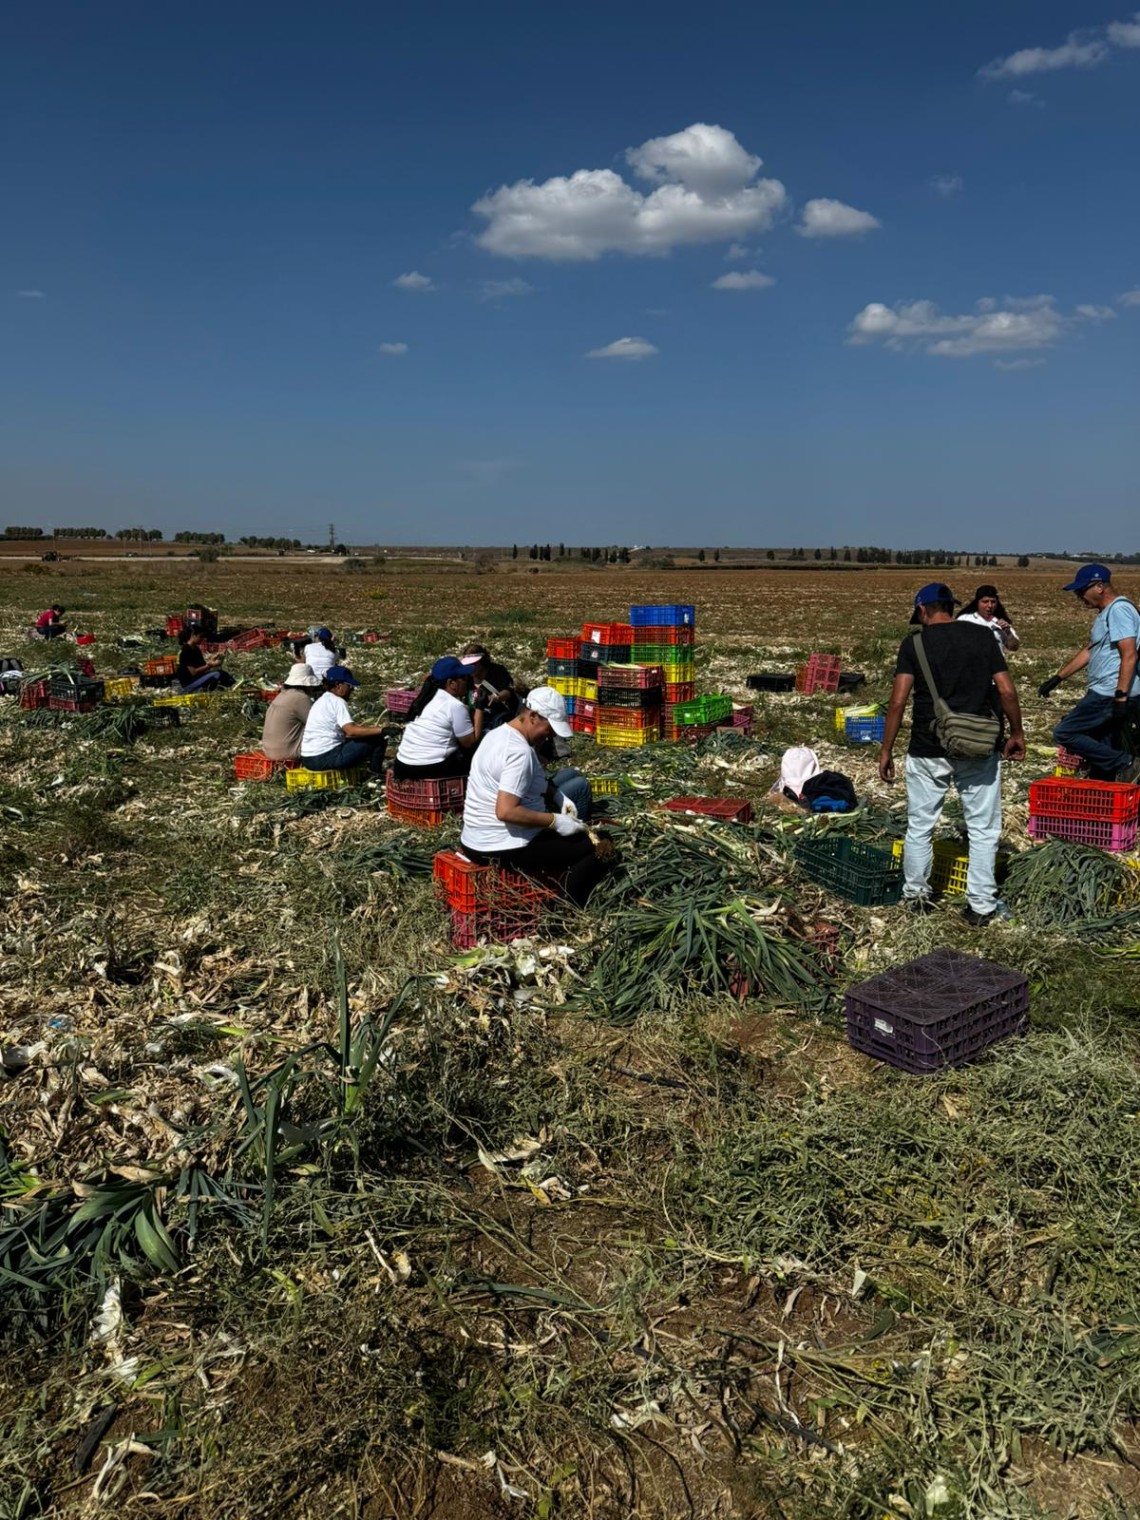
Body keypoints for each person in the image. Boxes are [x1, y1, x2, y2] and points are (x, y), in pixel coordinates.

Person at [879, 582, 1025, 926]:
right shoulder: (981, 637)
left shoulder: (913, 644)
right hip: (979, 744)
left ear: (922, 611)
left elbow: (898, 700)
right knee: (984, 829)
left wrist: (886, 750)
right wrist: (1017, 733)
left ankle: (916, 897)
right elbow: (1006, 690)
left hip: (928, 747)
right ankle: (980, 907)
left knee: (920, 826)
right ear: (951, 606)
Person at [460, 687, 607, 907]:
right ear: (533, 717)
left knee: (573, 793)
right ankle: (565, 907)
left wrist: (558, 797)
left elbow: (532, 781)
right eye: (549, 728)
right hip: (502, 845)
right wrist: (554, 821)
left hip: (474, 838)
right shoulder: (519, 753)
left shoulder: (499, 734)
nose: (552, 735)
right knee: (600, 843)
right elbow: (506, 811)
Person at [1038, 563, 1140, 783]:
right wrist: (1057, 678)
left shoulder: (1119, 610)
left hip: (1108, 692)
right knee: (1102, 742)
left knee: (1065, 732)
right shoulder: (1105, 614)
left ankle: (1127, 764)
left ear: (1099, 586)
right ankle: (1106, 786)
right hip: (1106, 690)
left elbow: (1129, 654)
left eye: (1081, 590)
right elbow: (1090, 651)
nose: (1079, 597)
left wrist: (1120, 697)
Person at [392, 657, 484, 779]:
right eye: (463, 678)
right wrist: (480, 708)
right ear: (452, 683)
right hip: (429, 767)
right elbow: (470, 742)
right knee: (473, 754)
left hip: (402, 765)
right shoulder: (454, 706)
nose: (467, 682)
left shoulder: (426, 698)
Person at [300, 665, 387, 775]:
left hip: (308, 759)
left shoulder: (321, 701)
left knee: (360, 739)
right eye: (349, 686)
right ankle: (375, 773)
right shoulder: (338, 701)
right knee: (379, 738)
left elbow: (344, 733)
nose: (352, 690)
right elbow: (351, 731)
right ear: (338, 685)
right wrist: (382, 730)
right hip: (325, 757)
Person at [260, 662, 324, 762]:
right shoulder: (300, 698)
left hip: (269, 751)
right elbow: (319, 724)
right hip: (287, 754)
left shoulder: (282, 695)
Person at [461, 643, 523, 729]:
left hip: (498, 716)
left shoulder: (497, 671)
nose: (470, 667)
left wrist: (494, 698)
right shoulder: (466, 677)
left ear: (482, 661)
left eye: (474, 664)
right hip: (476, 718)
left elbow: (508, 692)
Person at [957, 585, 1020, 653]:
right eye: (985, 601)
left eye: (993, 602)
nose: (990, 605)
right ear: (977, 602)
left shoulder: (1001, 623)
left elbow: (1014, 647)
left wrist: (1008, 633)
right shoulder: (965, 619)